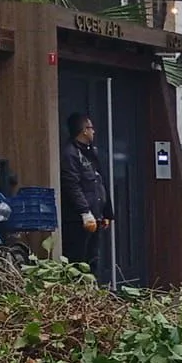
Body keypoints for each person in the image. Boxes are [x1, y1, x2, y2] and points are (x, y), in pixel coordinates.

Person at [59, 112, 112, 277]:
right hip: (79, 219)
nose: (93, 131)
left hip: (95, 215)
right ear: (84, 130)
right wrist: (84, 212)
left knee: (93, 259)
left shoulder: (90, 152)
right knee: (78, 260)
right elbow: (72, 185)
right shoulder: (70, 154)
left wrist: (106, 212)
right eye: (91, 128)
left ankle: (91, 289)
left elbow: (100, 181)